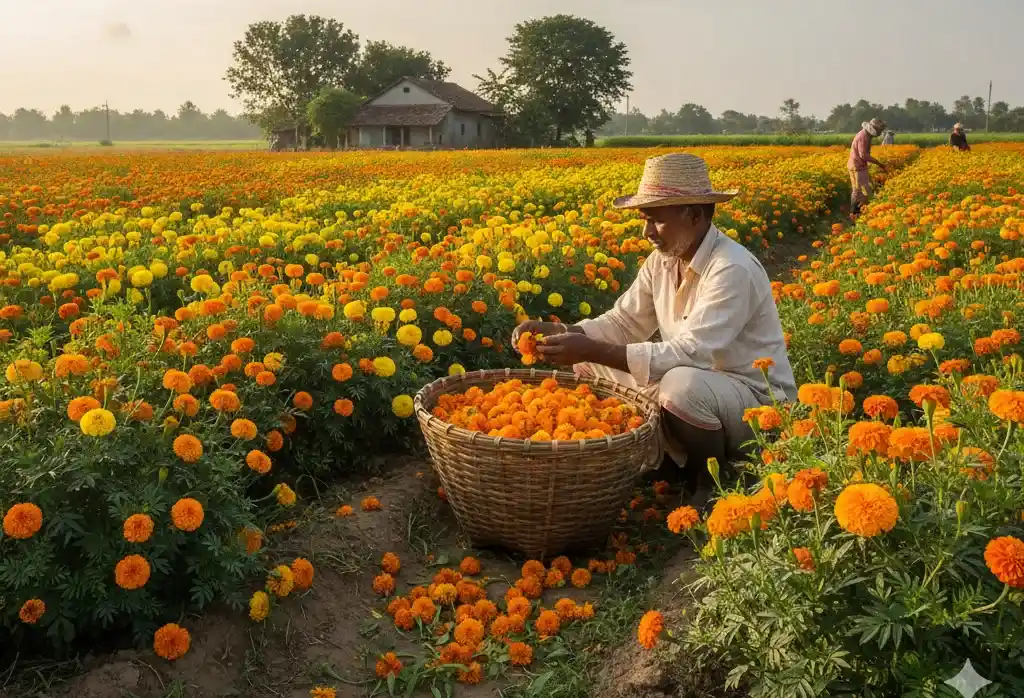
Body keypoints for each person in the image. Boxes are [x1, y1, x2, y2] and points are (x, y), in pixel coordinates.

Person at [511, 153, 797, 505]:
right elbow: (624, 322)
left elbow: (692, 352)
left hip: (755, 404)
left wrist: (591, 348)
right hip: (701, 384)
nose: (647, 233)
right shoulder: (662, 262)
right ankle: (668, 462)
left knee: (680, 386)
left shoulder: (731, 269)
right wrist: (558, 332)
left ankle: (708, 480)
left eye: (656, 221)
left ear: (694, 215)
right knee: (589, 365)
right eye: (645, 220)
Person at [848, 118, 888, 215]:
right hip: (857, 167)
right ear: (874, 129)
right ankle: (855, 213)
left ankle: (859, 212)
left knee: (863, 190)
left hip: (858, 165)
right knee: (859, 191)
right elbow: (863, 155)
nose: (879, 133)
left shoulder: (866, 135)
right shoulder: (864, 136)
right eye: (879, 131)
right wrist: (878, 163)